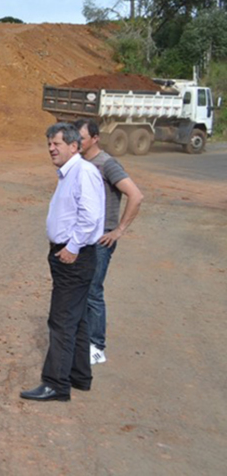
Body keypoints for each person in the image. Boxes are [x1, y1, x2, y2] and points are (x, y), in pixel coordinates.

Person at [21, 122, 105, 402]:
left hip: (74, 257)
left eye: (56, 144)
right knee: (77, 319)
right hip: (68, 255)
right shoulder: (69, 174)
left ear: (74, 146)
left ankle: (56, 383)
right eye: (49, 144)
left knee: (61, 321)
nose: (51, 149)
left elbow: (90, 216)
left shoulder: (83, 172)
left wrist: (72, 247)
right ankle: (79, 376)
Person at [75, 119, 144, 366]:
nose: (76, 142)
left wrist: (118, 230)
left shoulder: (107, 164)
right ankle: (82, 340)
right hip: (83, 238)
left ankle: (96, 346)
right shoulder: (81, 164)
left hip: (101, 239)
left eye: (80, 138)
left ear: (95, 138)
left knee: (93, 291)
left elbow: (136, 195)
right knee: (81, 289)